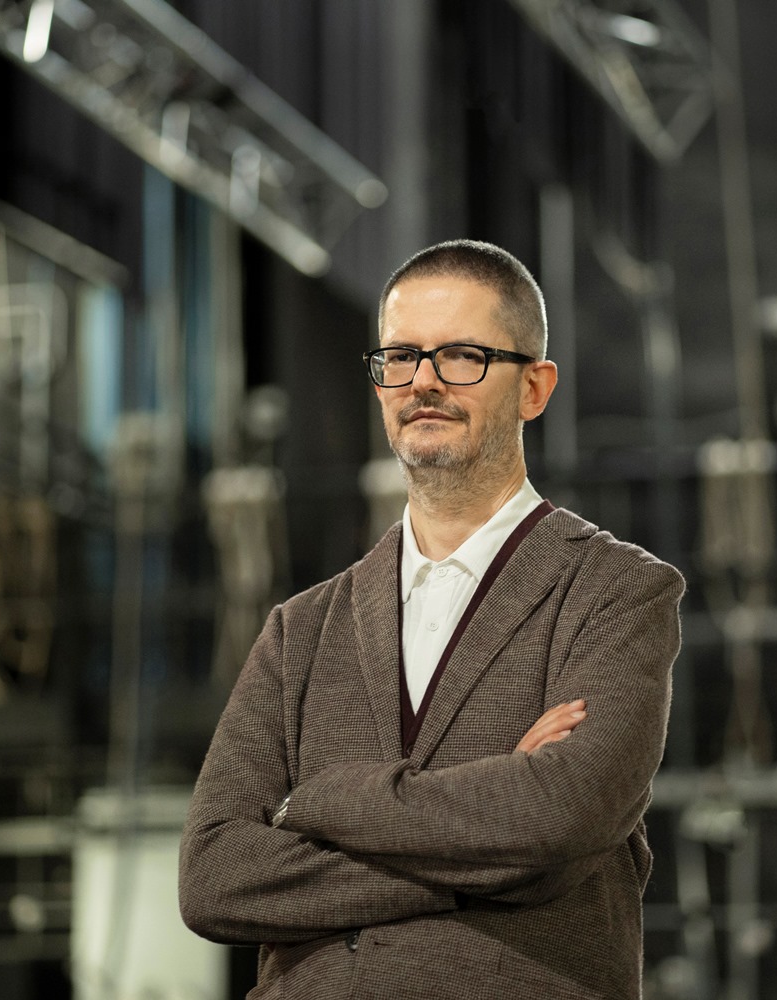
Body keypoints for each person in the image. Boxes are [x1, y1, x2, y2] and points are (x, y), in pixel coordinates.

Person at [178, 239, 685, 999]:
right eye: (402, 357)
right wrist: (500, 856)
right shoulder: (302, 630)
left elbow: (558, 819)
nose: (424, 383)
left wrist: (317, 804)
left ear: (534, 388)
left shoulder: (616, 592)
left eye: (462, 357)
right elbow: (214, 877)